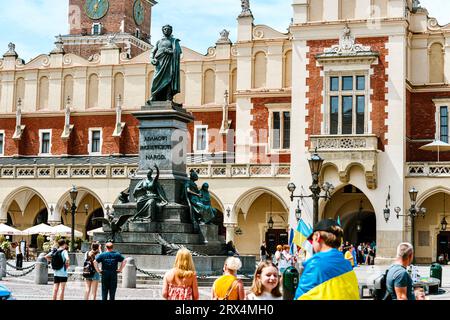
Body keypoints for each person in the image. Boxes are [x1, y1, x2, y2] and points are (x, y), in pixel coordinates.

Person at [294, 219, 360, 300]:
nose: (312, 243)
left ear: (317, 236)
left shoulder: (315, 265)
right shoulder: (348, 266)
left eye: (312, 240)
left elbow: (300, 297)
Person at [150, 24, 182, 102]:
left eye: (168, 29)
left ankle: (168, 97)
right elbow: (153, 51)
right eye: (165, 29)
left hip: (169, 63)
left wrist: (170, 51)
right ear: (162, 30)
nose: (166, 30)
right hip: (159, 64)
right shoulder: (159, 41)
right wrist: (151, 59)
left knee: (168, 79)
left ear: (171, 31)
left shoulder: (174, 41)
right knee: (156, 79)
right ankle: (154, 95)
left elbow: (178, 52)